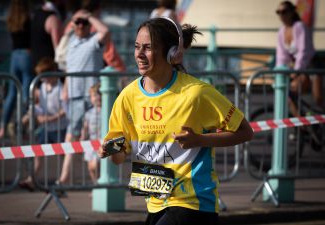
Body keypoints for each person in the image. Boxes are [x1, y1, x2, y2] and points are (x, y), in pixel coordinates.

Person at [98, 17, 254, 225]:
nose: (139, 54)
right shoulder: (127, 97)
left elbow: (245, 132)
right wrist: (112, 151)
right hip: (155, 201)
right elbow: (120, 155)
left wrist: (200, 140)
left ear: (172, 53)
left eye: (148, 48)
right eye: (137, 47)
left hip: (193, 203)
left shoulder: (196, 93)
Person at [57, 9, 110, 185]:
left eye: (83, 23)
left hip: (93, 96)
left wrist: (90, 17)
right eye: (77, 23)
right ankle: (64, 176)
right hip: (75, 96)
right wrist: (75, 18)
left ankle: (101, 179)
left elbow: (105, 32)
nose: (80, 25)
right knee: (71, 136)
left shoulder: (94, 41)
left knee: (99, 136)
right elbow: (69, 68)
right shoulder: (70, 41)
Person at [20, 57, 67, 191]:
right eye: (41, 77)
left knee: (65, 154)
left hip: (60, 127)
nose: (42, 79)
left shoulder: (60, 88)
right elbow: (40, 106)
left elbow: (65, 109)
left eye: (45, 76)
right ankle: (31, 179)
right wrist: (37, 114)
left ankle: (63, 181)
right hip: (46, 127)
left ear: (52, 73)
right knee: (38, 153)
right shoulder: (42, 87)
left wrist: (52, 118)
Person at [0, 0, 33, 139]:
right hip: (26, 54)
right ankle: (20, 124)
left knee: (11, 92)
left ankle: (2, 126)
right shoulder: (27, 18)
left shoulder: (10, 19)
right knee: (25, 92)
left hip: (14, 54)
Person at [275, 1, 317, 116]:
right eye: (278, 12)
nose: (281, 15)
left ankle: (314, 123)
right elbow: (281, 56)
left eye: (284, 12)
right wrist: (279, 73)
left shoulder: (299, 27)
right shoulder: (281, 31)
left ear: (292, 12)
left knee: (319, 100)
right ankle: (302, 126)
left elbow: (304, 52)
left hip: (311, 66)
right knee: (289, 96)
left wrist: (296, 72)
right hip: (297, 69)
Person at [31, 0, 63, 69]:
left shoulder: (36, 13)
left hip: (36, 63)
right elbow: (58, 47)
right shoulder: (53, 18)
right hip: (48, 66)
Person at [80, 83, 101, 185]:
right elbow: (85, 127)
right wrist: (82, 138)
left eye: (99, 94)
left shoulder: (109, 111)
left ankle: (100, 184)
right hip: (91, 142)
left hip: (103, 142)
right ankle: (95, 185)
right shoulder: (88, 113)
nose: (97, 97)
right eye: (94, 95)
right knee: (90, 167)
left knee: (95, 165)